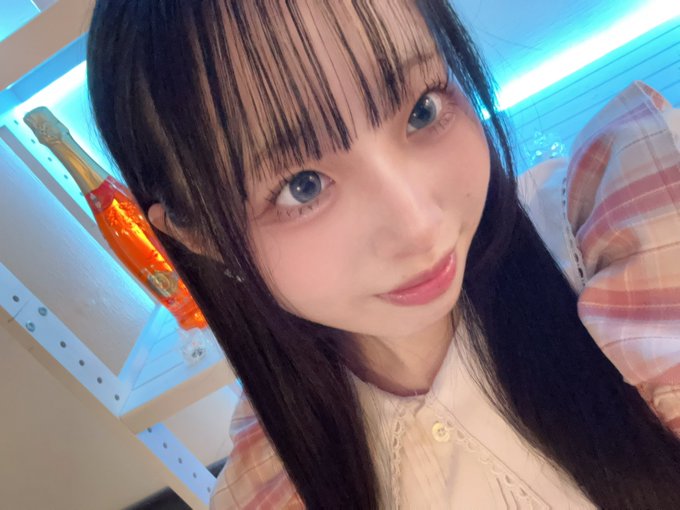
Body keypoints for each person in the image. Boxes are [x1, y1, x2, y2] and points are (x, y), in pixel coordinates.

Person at [85, 1, 680, 508]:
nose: (419, 226)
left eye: (423, 108)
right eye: (302, 186)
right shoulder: (271, 488)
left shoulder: (629, 220)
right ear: (201, 239)